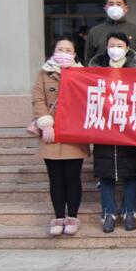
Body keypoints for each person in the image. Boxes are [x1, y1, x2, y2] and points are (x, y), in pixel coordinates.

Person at [31, 36, 87, 236]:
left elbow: (87, 101)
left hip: (73, 133)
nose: (64, 53)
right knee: (55, 178)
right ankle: (58, 217)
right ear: (54, 51)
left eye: (68, 50)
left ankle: (72, 217)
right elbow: (38, 99)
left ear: (74, 54)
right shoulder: (44, 73)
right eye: (60, 49)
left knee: (72, 177)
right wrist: (45, 122)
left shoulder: (83, 74)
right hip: (51, 133)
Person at [88, 33, 136, 233]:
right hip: (103, 128)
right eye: (112, 45)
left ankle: (130, 211)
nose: (115, 48)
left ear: (127, 49)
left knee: (130, 172)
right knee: (106, 174)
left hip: (129, 128)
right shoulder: (94, 72)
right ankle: (108, 213)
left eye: (120, 45)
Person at [84, 0, 136, 64]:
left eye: (119, 4)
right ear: (105, 8)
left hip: (132, 71)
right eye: (111, 4)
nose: (115, 7)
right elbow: (89, 61)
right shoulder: (94, 32)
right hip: (102, 71)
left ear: (126, 8)